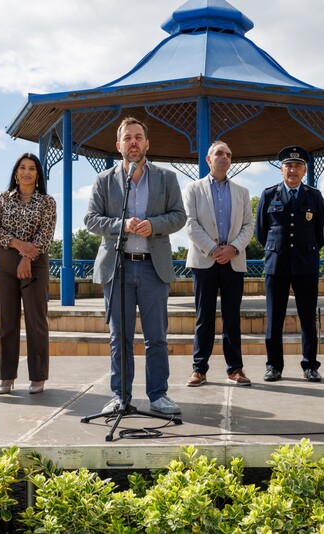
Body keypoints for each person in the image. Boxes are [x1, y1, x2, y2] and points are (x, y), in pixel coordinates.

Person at [84, 117, 187, 414]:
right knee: (120, 338)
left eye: (138, 137)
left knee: (156, 337)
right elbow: (91, 220)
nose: (133, 142)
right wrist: (123, 225)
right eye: (127, 137)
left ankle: (158, 395)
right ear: (118, 146)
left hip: (153, 268)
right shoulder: (104, 181)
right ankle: (120, 396)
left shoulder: (166, 179)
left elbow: (179, 216)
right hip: (117, 269)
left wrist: (153, 225)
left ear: (147, 143)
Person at [183, 141, 255, 387]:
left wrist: (232, 248)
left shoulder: (241, 192)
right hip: (205, 261)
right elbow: (190, 224)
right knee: (204, 317)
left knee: (232, 317)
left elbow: (248, 226)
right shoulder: (193, 189)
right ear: (208, 159)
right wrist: (214, 249)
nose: (224, 157)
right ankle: (199, 369)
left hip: (233, 261)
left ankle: (235, 368)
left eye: (229, 154)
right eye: (219, 153)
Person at [255, 146, 324, 383]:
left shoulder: (314, 196)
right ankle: (273, 365)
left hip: (306, 264)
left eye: (297, 166)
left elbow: (321, 234)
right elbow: (261, 233)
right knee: (274, 318)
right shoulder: (268, 195)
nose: (293, 170)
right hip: (277, 264)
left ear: (304, 170)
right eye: (288, 166)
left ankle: (310, 365)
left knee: (308, 318)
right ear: (281, 169)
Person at [0, 153, 56, 394]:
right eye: (22, 168)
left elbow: (46, 235)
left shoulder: (47, 202)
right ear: (16, 172)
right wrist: (19, 247)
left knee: (36, 319)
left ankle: (38, 376)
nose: (26, 172)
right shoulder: (2, 199)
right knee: (6, 320)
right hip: (5, 261)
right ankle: (7, 376)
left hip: (35, 262)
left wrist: (27, 257)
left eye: (31, 168)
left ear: (38, 175)